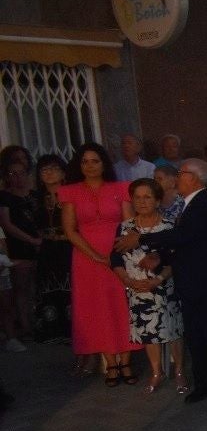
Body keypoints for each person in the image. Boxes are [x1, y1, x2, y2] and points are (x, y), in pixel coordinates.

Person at [115, 159, 207, 406]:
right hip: (192, 283)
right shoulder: (190, 204)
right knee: (196, 337)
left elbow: (184, 236)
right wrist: (161, 257)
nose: (177, 178)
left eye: (181, 173)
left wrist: (142, 239)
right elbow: (186, 244)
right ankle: (204, 383)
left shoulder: (205, 203)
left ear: (194, 177)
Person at [59, 143, 140, 385]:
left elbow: (129, 224)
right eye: (85, 161)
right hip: (86, 258)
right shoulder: (70, 191)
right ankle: (110, 362)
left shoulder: (120, 188)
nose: (90, 166)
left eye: (95, 161)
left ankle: (126, 361)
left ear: (104, 163)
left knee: (121, 305)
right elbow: (69, 230)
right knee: (97, 309)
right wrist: (94, 255)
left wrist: (117, 253)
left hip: (118, 254)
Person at [112, 178, 185, 392]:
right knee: (147, 330)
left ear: (158, 200)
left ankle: (179, 371)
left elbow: (176, 259)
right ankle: (156, 372)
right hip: (136, 287)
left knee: (172, 330)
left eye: (147, 197)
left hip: (164, 286)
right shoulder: (125, 227)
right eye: (137, 197)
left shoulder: (169, 226)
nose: (142, 202)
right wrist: (127, 280)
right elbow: (115, 258)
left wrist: (158, 279)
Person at [0, 157, 41, 344]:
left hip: (40, 245)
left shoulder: (35, 196)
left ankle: (40, 322)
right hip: (19, 247)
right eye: (12, 174)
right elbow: (7, 225)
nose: (17, 177)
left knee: (37, 286)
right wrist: (31, 240)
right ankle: (25, 325)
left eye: (21, 173)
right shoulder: (5, 197)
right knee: (21, 288)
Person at [32, 155, 71, 344]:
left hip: (68, 246)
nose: (49, 173)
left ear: (63, 172)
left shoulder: (71, 195)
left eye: (54, 168)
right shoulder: (36, 199)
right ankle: (52, 331)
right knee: (49, 288)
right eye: (44, 170)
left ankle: (73, 331)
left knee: (70, 287)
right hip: (47, 249)